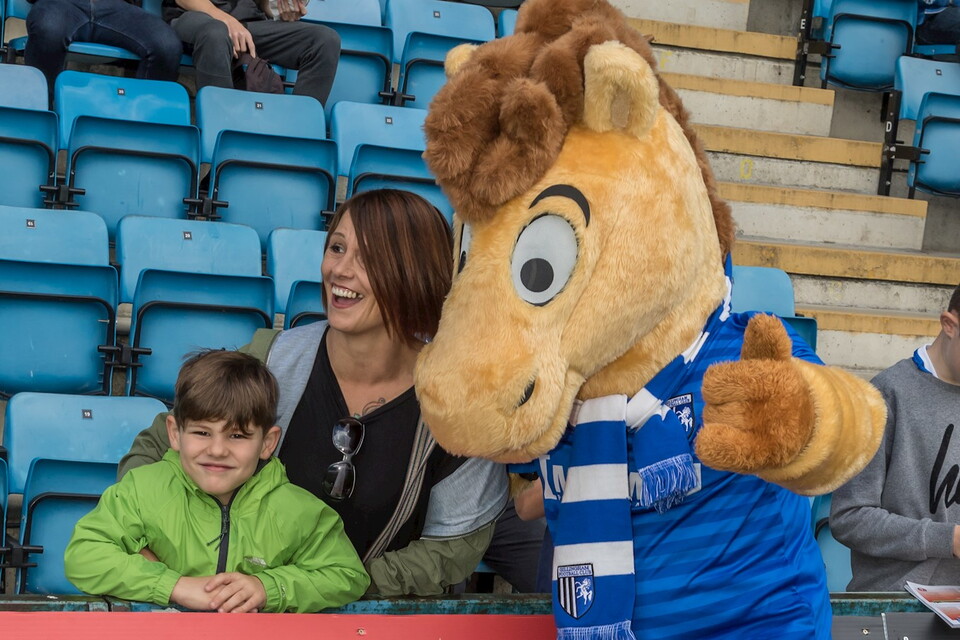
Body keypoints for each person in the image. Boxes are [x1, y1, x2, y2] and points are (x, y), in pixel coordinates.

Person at [119, 189, 509, 596]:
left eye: (368, 258)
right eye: (337, 248)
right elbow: (154, 448)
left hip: (368, 618)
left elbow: (449, 550)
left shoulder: (461, 404)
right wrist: (152, 549)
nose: (340, 270)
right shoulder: (274, 359)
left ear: (413, 272)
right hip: (234, 611)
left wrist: (326, 587)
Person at [65, 349, 369, 612]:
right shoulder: (141, 489)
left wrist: (269, 588)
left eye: (237, 436)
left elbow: (347, 575)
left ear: (267, 442)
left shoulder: (299, 510)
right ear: (174, 433)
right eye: (202, 432)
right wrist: (174, 586)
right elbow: (84, 555)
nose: (217, 450)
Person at [831, 283, 960, 591]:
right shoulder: (886, 395)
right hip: (896, 603)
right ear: (949, 325)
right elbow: (849, 518)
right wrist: (948, 539)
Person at [161, 0, 340, 104]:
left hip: (249, 25)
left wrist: (281, 7)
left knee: (324, 39)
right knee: (216, 33)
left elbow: (262, 4)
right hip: (196, 18)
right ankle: (220, 132)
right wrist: (226, 21)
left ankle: (297, 138)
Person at [25, 0, 183, 103]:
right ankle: (41, 112)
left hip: (118, 7)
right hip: (60, 4)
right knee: (49, 29)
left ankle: (143, 124)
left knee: (167, 45)